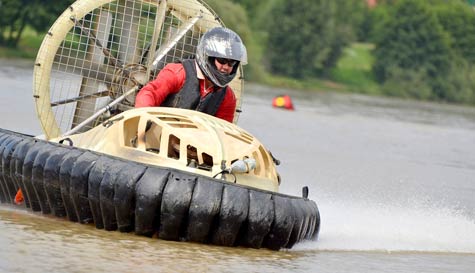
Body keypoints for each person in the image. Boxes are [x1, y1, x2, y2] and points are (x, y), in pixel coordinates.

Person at [135, 27, 247, 123]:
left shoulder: (227, 96)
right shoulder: (177, 73)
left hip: (194, 144)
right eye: (222, 60)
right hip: (159, 136)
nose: (226, 67)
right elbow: (149, 93)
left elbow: (224, 130)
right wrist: (145, 119)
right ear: (208, 57)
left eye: (232, 62)